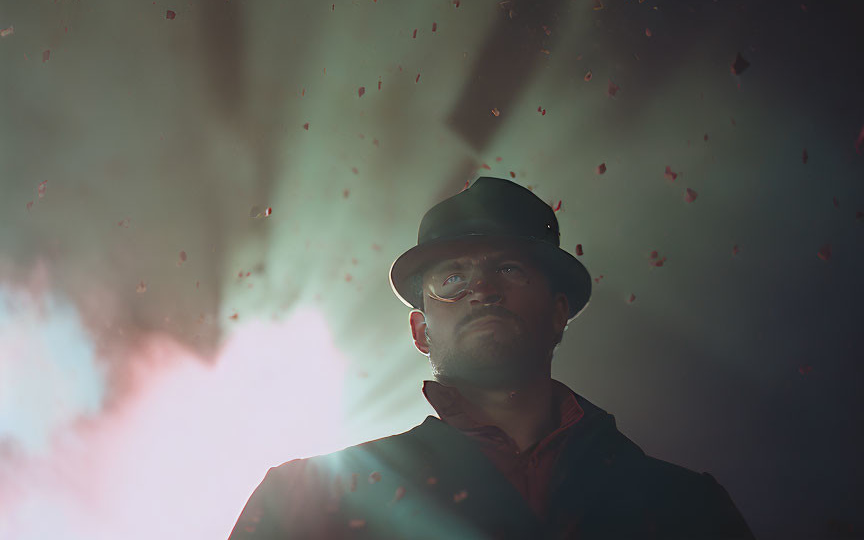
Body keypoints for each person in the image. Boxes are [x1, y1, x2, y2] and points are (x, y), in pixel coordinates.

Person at [228, 177, 757, 539]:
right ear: (420, 329)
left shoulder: (687, 508)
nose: (481, 288)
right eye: (452, 278)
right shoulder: (306, 503)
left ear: (558, 312)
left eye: (508, 268)